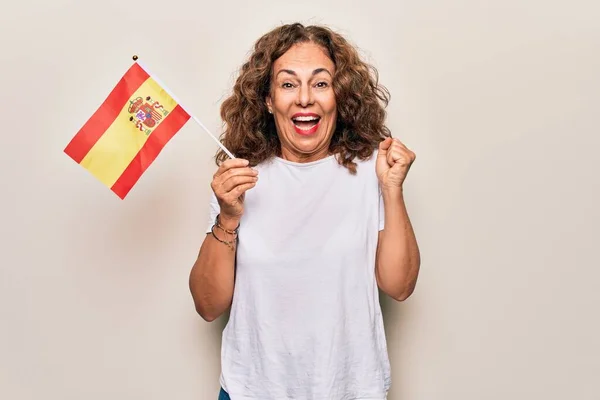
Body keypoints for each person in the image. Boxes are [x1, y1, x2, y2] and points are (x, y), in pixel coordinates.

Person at [189, 22, 420, 400]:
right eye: (288, 83)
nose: (305, 99)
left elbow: (399, 286)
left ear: (339, 95)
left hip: (350, 390)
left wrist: (392, 190)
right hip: (252, 391)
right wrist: (228, 218)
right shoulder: (240, 180)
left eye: (321, 83)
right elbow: (208, 306)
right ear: (268, 99)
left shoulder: (371, 172)